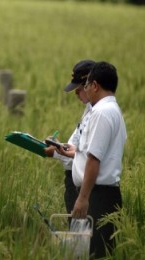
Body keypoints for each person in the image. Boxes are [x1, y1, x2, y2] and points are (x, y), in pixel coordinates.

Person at [59, 61, 127, 258]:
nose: (84, 91)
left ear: (95, 85)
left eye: (86, 85)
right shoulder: (110, 111)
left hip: (98, 196)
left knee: (93, 253)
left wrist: (82, 198)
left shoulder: (101, 113)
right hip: (100, 194)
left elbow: (94, 159)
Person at [44, 60, 95, 214]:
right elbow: (77, 147)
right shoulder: (88, 110)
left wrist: (55, 151)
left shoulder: (99, 115)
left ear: (91, 85)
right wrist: (59, 147)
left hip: (84, 186)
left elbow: (89, 156)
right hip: (74, 181)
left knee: (82, 235)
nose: (76, 93)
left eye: (79, 89)